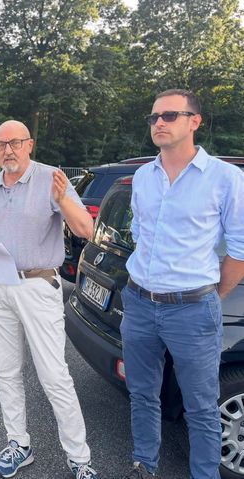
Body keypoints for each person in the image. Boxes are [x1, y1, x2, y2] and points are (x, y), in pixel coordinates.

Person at [0, 120, 99, 479]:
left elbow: (86, 229)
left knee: (54, 375)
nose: (7, 150)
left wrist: (63, 200)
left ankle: (79, 459)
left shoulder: (52, 178)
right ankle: (18, 444)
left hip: (37, 286)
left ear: (29, 145)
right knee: (6, 371)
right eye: (0, 144)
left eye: (15, 142)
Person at [121, 90, 244, 479]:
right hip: (139, 302)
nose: (159, 122)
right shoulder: (144, 176)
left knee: (201, 406)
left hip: (192, 308)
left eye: (170, 115)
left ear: (195, 121)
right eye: (154, 117)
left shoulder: (225, 178)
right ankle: (144, 465)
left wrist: (211, 296)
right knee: (142, 395)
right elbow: (140, 235)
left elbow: (239, 250)